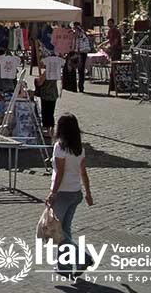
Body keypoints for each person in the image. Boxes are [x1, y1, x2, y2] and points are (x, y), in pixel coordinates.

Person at [48, 113, 96, 277]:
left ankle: (84, 257)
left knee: (57, 231)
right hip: (75, 193)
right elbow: (84, 172)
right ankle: (64, 266)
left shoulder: (59, 147)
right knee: (65, 230)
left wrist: (53, 193)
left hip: (62, 193)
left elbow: (60, 173)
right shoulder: (79, 149)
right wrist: (88, 193)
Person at [36, 63, 60, 140]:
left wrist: (38, 80)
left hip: (46, 94)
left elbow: (40, 83)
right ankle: (52, 129)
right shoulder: (56, 72)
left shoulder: (46, 72)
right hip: (53, 94)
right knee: (51, 112)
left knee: (45, 112)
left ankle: (47, 130)